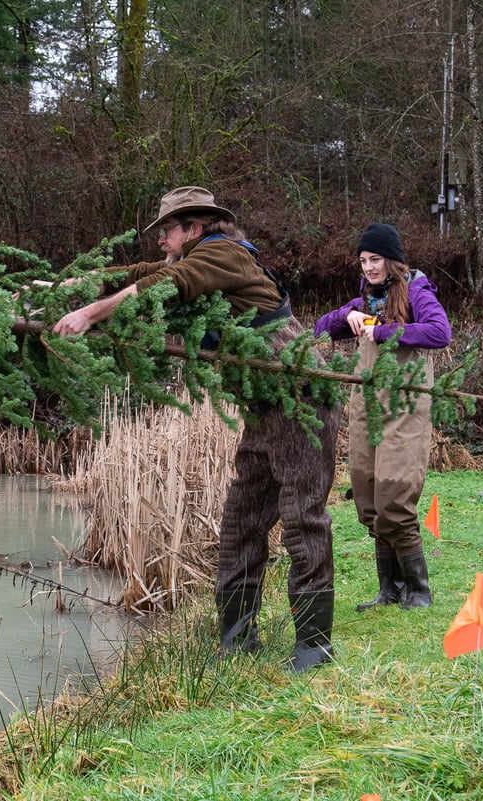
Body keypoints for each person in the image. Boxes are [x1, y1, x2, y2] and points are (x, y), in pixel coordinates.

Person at [51, 186, 341, 673]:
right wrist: (53, 292)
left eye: (167, 230)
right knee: (241, 522)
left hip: (301, 399)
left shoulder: (223, 255)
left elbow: (168, 284)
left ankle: (314, 647)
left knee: (302, 518)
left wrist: (87, 314)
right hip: (264, 408)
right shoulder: (197, 258)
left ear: (195, 228)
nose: (161, 240)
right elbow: (133, 276)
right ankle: (235, 642)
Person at [313, 223, 451, 611]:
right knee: (369, 501)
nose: (369, 267)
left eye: (375, 259)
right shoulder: (365, 298)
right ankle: (388, 590)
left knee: (394, 502)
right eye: (363, 260)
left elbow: (440, 332)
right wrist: (349, 315)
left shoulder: (417, 290)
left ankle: (419, 591)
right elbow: (320, 331)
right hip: (367, 411)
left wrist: (388, 331)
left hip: (405, 411)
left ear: (392, 260)